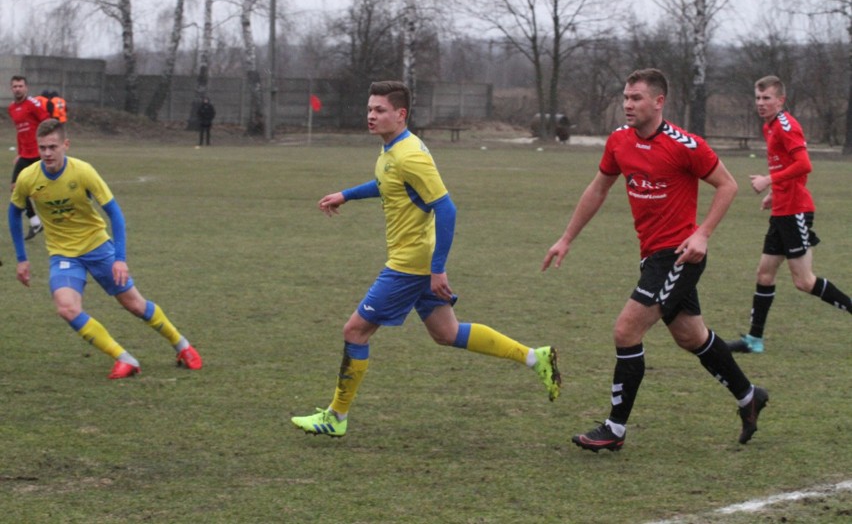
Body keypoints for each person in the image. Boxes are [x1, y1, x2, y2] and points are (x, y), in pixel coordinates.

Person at [291, 80, 561, 437]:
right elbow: (388, 184)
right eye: (370, 109)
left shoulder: (410, 154)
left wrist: (437, 269)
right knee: (447, 333)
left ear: (400, 114)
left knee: (355, 331)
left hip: (410, 265)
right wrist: (347, 194)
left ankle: (336, 417)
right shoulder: (393, 150)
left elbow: (446, 209)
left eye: (380, 110)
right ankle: (534, 357)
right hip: (417, 262)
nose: (371, 116)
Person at [542, 68, 767, 451]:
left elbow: (727, 186)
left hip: (680, 255)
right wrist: (566, 238)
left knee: (626, 330)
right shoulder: (618, 142)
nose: (628, 105)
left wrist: (702, 234)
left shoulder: (685, 145)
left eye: (637, 98)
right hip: (652, 257)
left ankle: (614, 430)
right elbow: (598, 189)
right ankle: (749, 397)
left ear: (658, 102)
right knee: (691, 336)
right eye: (626, 98)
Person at [8, 119, 204, 379]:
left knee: (135, 305)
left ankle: (182, 345)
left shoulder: (83, 171)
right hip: (64, 254)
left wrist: (120, 259)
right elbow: (14, 213)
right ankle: (124, 358)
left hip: (98, 247)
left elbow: (115, 214)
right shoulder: (28, 177)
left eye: (52, 147)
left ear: (66, 145)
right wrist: (22, 258)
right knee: (66, 307)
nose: (47, 153)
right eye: (42, 147)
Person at [728, 76, 851, 354]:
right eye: (758, 98)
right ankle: (754, 340)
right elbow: (789, 167)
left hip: (796, 211)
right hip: (783, 209)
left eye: (766, 98)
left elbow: (804, 165)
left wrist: (769, 180)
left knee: (804, 282)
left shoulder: (786, 126)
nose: (761, 103)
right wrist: (776, 192)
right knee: (764, 274)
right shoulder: (769, 127)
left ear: (780, 100)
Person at [8, 75, 50, 240]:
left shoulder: (33, 104)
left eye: (20, 86)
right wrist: (19, 153)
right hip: (25, 155)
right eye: (15, 86)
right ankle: (35, 222)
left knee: (46, 190)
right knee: (15, 188)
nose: (18, 89)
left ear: (26, 88)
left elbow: (47, 123)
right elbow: (20, 132)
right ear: (12, 88)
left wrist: (47, 146)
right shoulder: (12, 108)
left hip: (39, 154)